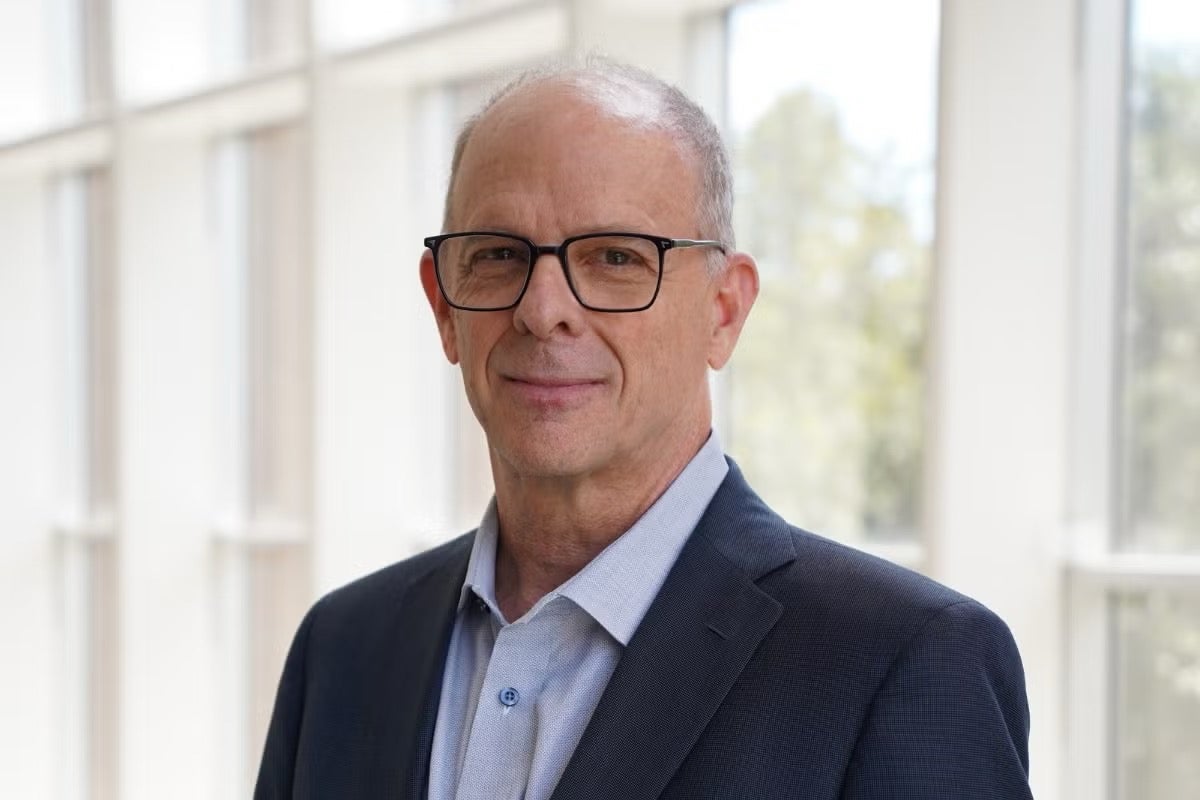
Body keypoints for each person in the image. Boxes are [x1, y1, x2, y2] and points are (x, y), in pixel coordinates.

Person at [255, 58, 1033, 800]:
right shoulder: (342, 649)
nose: (542, 309)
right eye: (498, 255)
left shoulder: (901, 662)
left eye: (616, 258)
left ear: (723, 312)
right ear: (444, 306)